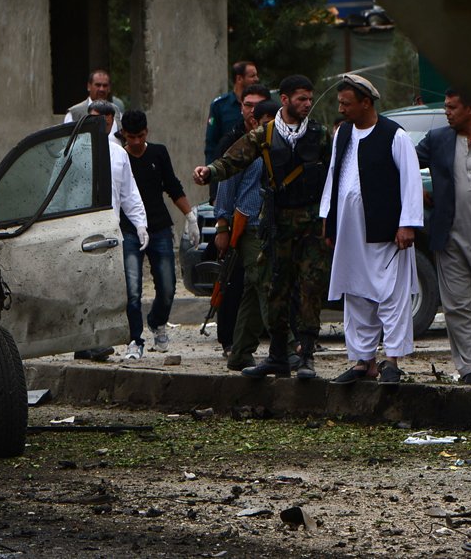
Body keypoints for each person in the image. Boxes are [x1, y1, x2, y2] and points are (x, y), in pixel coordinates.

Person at [193, 74, 332, 380]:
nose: (308, 104)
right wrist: (209, 172)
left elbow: (335, 174)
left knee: (309, 289)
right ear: (285, 100)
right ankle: (278, 357)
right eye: (301, 99)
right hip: (277, 223)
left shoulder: (319, 135)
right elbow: (233, 160)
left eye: (310, 98)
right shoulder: (265, 134)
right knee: (275, 289)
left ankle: (305, 357)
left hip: (311, 226)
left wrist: (330, 220)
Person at [321, 74, 423, 384]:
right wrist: (327, 217)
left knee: (391, 295)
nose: (342, 109)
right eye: (340, 103)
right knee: (356, 294)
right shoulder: (343, 135)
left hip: (385, 233)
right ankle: (363, 362)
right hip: (350, 234)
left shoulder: (395, 135)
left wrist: (407, 224)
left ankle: (391, 360)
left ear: (366, 103)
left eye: (347, 103)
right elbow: (333, 177)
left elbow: (411, 182)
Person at [117, 110, 200, 359]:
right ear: (123, 135)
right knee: (133, 289)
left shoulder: (158, 153)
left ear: (147, 133)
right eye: (131, 137)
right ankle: (134, 338)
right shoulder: (119, 157)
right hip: (129, 228)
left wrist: (190, 216)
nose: (136, 142)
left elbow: (172, 186)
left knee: (167, 286)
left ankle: (157, 321)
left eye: (140, 136)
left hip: (159, 226)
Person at [415, 89, 471, 385]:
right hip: (450, 234)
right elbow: (404, 162)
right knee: (458, 304)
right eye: (445, 107)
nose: (447, 112)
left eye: (452, 107)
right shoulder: (439, 139)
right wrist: (415, 189)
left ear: (470, 109)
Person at [74, 99, 148, 361]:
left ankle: (129, 340)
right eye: (96, 120)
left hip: (110, 230)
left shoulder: (118, 154)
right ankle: (85, 343)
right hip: (80, 230)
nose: (101, 126)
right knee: (86, 288)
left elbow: (129, 193)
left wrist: (140, 223)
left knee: (122, 288)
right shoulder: (73, 151)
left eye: (105, 122)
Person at [215, 99, 279, 371]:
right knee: (265, 285)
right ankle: (284, 349)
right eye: (262, 121)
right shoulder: (244, 149)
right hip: (249, 225)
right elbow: (226, 188)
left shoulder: (282, 148)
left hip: (274, 225)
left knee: (254, 290)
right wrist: (222, 226)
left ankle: (240, 351)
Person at [204, 61, 259, 201]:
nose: (256, 79)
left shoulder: (264, 104)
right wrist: (212, 178)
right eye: (252, 76)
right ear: (239, 78)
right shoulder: (220, 105)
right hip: (228, 171)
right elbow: (212, 145)